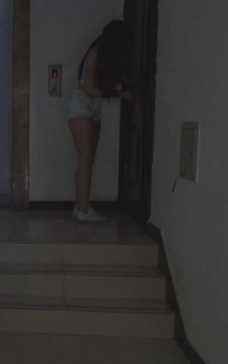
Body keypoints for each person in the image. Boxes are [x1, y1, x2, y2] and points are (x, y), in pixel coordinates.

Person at [67, 20, 132, 223]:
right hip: (82, 104)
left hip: (95, 108)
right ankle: (84, 209)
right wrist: (118, 93)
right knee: (85, 157)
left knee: (88, 158)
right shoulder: (95, 53)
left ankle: (80, 207)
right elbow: (88, 89)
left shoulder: (111, 58)